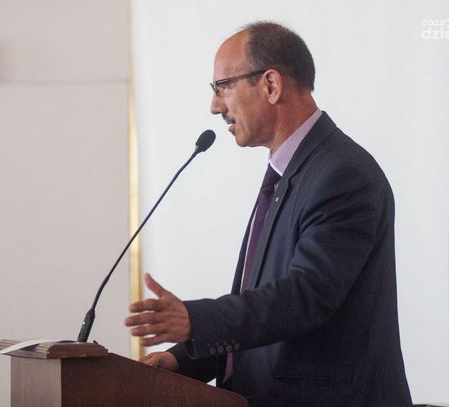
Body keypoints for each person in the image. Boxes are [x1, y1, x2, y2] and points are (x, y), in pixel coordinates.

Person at [124, 21, 412, 406]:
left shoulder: (342, 175)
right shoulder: (288, 175)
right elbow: (263, 316)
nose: (215, 106)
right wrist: (180, 359)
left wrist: (197, 320)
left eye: (222, 87)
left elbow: (305, 297)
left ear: (271, 85)